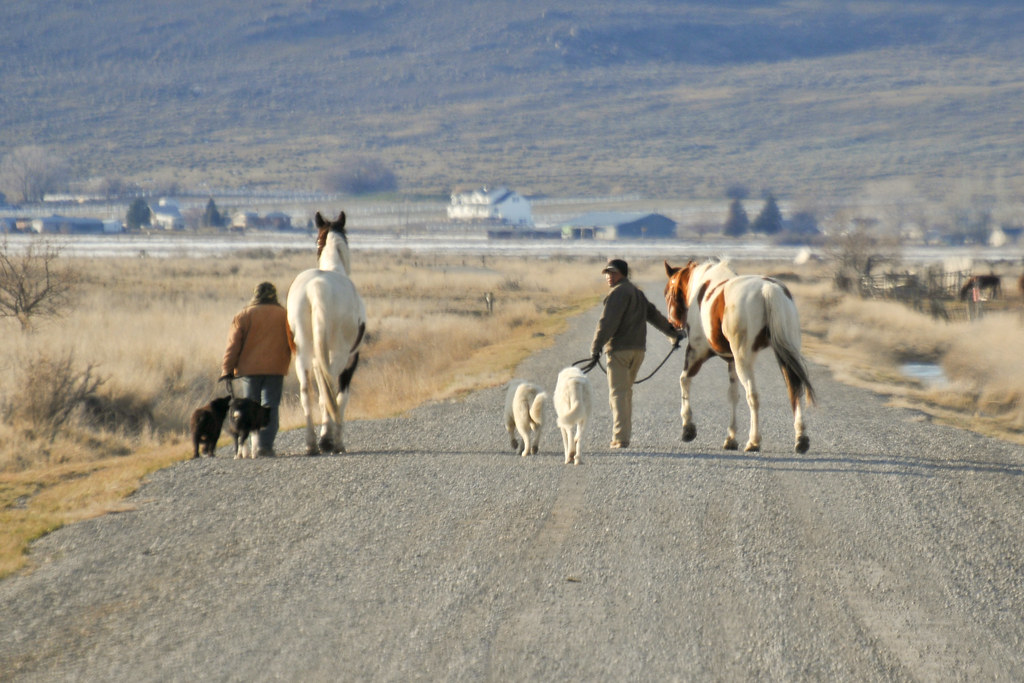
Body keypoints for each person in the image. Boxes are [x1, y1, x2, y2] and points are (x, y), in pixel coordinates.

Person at [588, 258, 680, 449]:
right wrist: (673, 333)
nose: (609, 277)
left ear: (622, 273)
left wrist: (595, 348)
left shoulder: (617, 294)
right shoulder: (637, 293)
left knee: (618, 394)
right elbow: (654, 315)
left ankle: (620, 438)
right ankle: (623, 436)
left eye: (612, 273)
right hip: (638, 351)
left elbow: (607, 323)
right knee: (625, 393)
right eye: (607, 273)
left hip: (619, 351)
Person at [220, 281, 292, 457]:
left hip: (249, 371)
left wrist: (227, 370)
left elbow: (233, 345)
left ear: (255, 295)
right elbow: (294, 341)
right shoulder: (285, 315)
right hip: (276, 369)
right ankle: (265, 446)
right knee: (270, 407)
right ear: (274, 295)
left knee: (250, 407)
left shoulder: (243, 315)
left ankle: (252, 445)